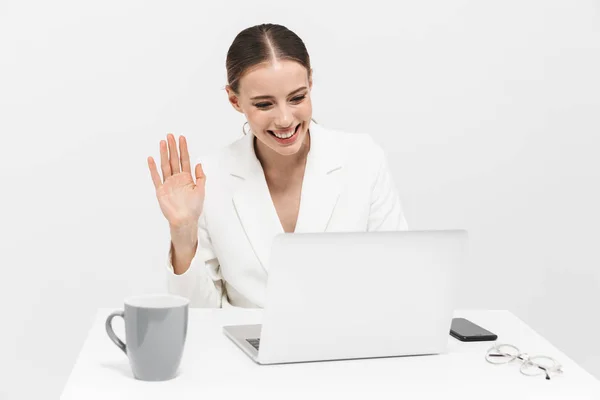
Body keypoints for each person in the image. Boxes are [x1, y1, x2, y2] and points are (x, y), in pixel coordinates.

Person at [147, 23, 409, 308]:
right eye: (264, 104)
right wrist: (183, 232)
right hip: (245, 347)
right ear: (235, 100)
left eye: (297, 98)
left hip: (346, 345)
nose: (285, 119)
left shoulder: (363, 158)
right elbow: (199, 316)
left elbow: (397, 279)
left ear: (310, 83)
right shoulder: (210, 178)